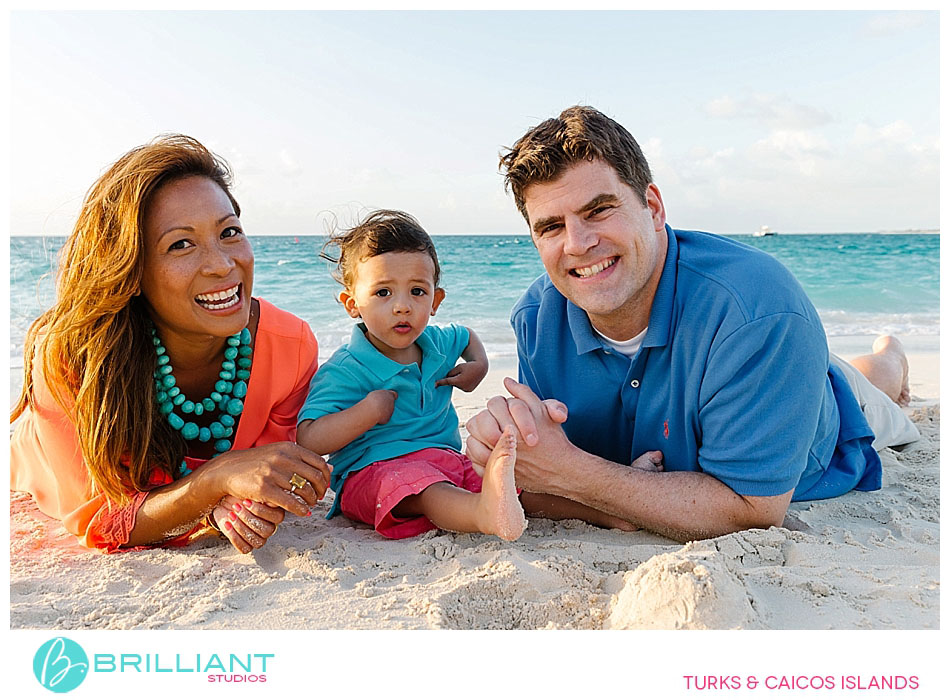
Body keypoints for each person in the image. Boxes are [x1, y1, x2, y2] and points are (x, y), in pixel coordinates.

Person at [465, 105, 920, 543]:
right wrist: (508, 450)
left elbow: (751, 508)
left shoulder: (758, 312)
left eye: (599, 210)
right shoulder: (535, 320)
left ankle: (891, 355)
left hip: (822, 407)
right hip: (748, 366)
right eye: (551, 227)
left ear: (654, 207)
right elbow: (541, 468)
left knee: (871, 385)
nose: (579, 243)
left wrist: (574, 475)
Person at [10, 135, 331, 554]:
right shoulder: (74, 358)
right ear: (130, 268)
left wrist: (240, 496)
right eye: (181, 244)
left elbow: (265, 477)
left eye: (229, 232)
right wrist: (213, 482)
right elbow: (102, 519)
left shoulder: (289, 346)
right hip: (36, 472)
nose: (221, 264)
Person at [296, 210, 525, 541]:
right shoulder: (346, 369)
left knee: (508, 480)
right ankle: (482, 514)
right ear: (352, 304)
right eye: (383, 293)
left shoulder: (437, 343)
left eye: (417, 291)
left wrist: (478, 367)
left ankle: (600, 512)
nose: (402, 306)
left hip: (444, 462)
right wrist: (367, 412)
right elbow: (309, 438)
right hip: (373, 476)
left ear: (436, 300)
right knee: (421, 486)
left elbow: (467, 336)